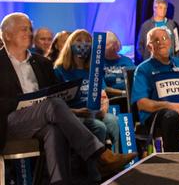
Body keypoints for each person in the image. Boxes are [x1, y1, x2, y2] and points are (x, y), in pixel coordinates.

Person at [0, 13, 135, 184]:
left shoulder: (42, 63)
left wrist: (74, 111)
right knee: (52, 105)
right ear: (7, 34)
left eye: (30, 29)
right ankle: (100, 155)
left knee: (55, 131)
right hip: (9, 122)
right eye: (23, 29)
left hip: (43, 119)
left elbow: (54, 100)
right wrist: (24, 103)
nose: (29, 33)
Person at [54, 29, 120, 163]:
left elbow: (103, 94)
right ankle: (94, 169)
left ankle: (115, 160)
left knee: (113, 121)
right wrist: (78, 112)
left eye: (88, 42)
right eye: (79, 41)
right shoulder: (59, 70)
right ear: (70, 44)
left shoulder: (93, 70)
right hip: (72, 114)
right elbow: (55, 104)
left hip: (93, 111)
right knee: (99, 127)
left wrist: (103, 109)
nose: (83, 45)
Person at [104, 31, 135, 97]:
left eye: (114, 47)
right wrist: (124, 93)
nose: (114, 49)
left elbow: (135, 81)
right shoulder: (99, 64)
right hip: (111, 99)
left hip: (129, 97)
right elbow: (103, 88)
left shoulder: (127, 61)